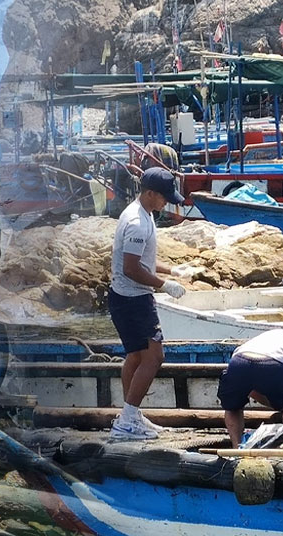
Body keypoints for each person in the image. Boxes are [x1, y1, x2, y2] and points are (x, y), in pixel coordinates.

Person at [108, 167, 189, 441]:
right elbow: (132, 268)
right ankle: (128, 420)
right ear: (150, 193)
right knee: (154, 357)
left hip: (124, 298)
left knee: (136, 356)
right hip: (133, 300)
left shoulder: (143, 213)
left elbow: (141, 259)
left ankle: (130, 415)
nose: (167, 201)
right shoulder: (137, 223)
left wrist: (171, 271)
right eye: (164, 197)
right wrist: (164, 286)